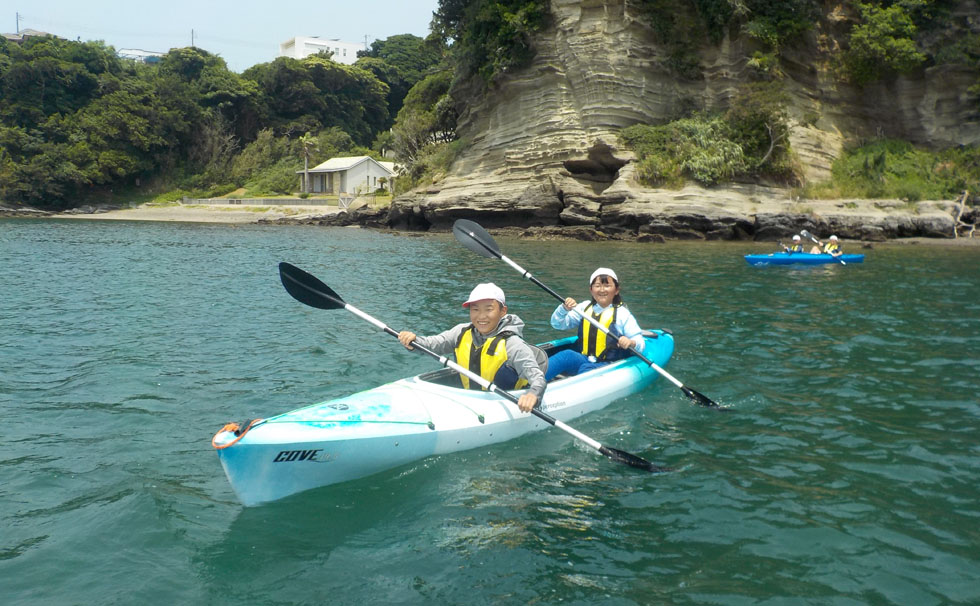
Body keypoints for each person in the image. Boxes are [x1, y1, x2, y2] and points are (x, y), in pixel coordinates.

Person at [397, 283, 546, 413]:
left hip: (504, 398)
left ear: (503, 311)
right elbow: (433, 345)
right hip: (471, 398)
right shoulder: (461, 332)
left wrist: (533, 395)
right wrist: (413, 341)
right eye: (475, 309)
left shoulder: (513, 344)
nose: (481, 316)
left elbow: (537, 378)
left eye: (488, 309)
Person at [545, 268, 645, 381]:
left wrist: (630, 342)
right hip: (585, 358)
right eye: (597, 286)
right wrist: (564, 309)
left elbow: (640, 343)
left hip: (609, 364)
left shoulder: (622, 314)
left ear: (616, 290)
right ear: (591, 290)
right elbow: (557, 324)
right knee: (566, 355)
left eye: (607, 286)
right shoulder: (584, 308)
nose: (602, 290)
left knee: (586, 368)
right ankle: (534, 380)